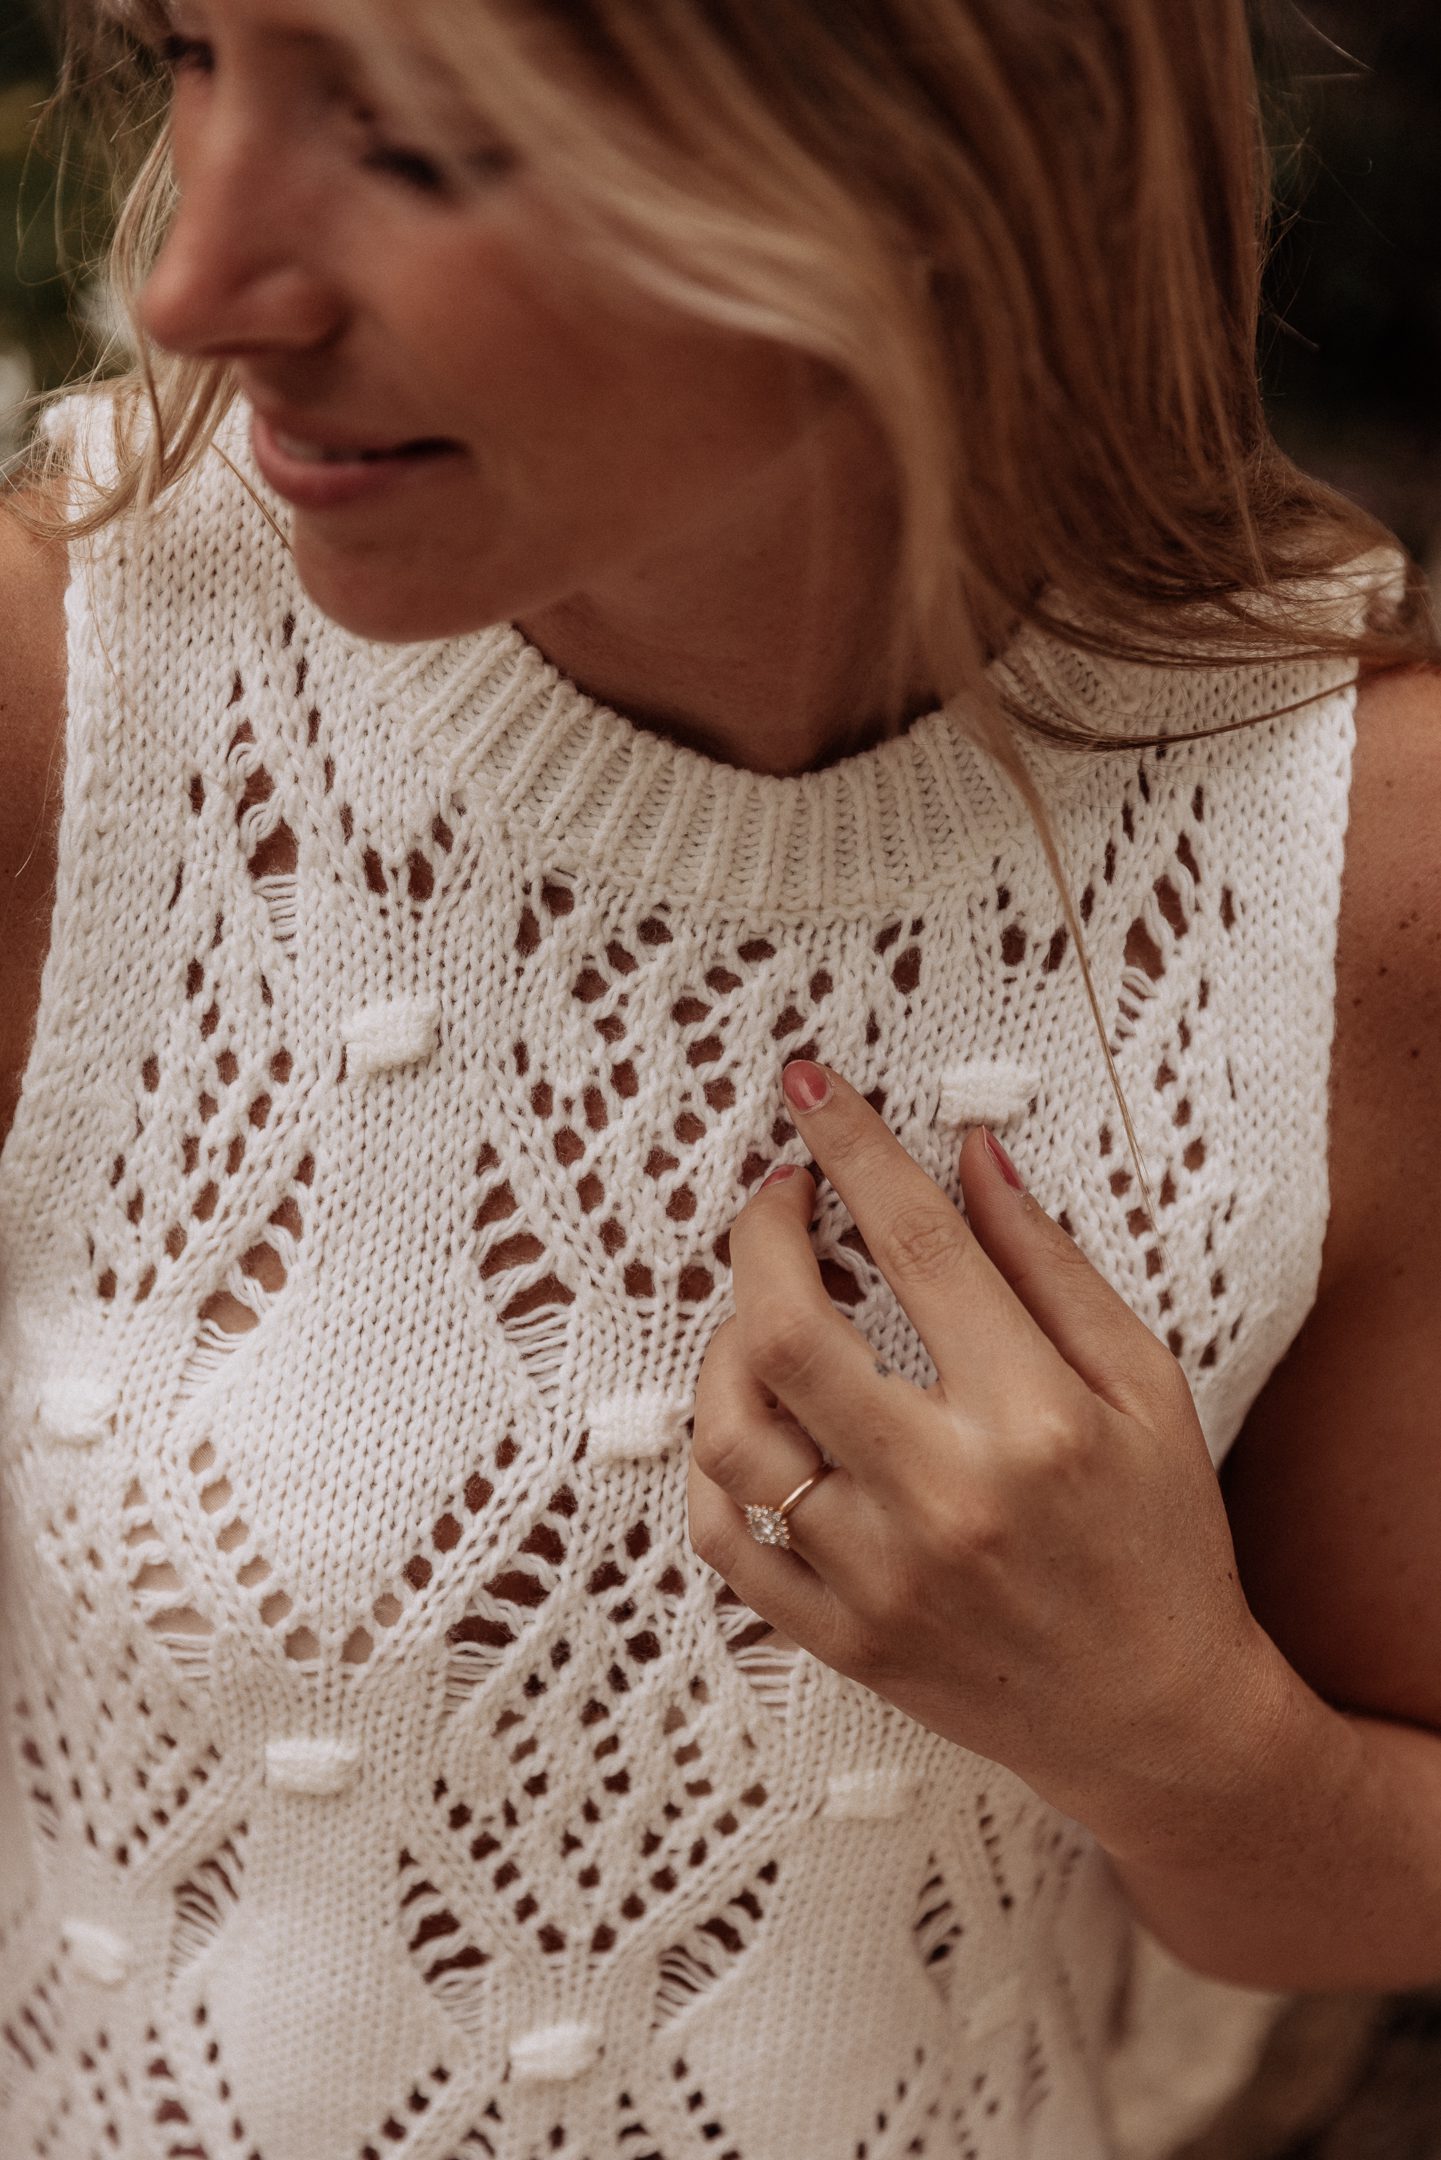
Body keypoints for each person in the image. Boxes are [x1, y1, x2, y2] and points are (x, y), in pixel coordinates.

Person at [1, 2, 1438, 2155]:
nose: (196, 284)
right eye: (193, 48)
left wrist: (1173, 1732)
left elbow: (1338, 1887)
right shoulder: (74, 705)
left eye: (421, 135)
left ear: (929, 139)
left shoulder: (1358, 871)